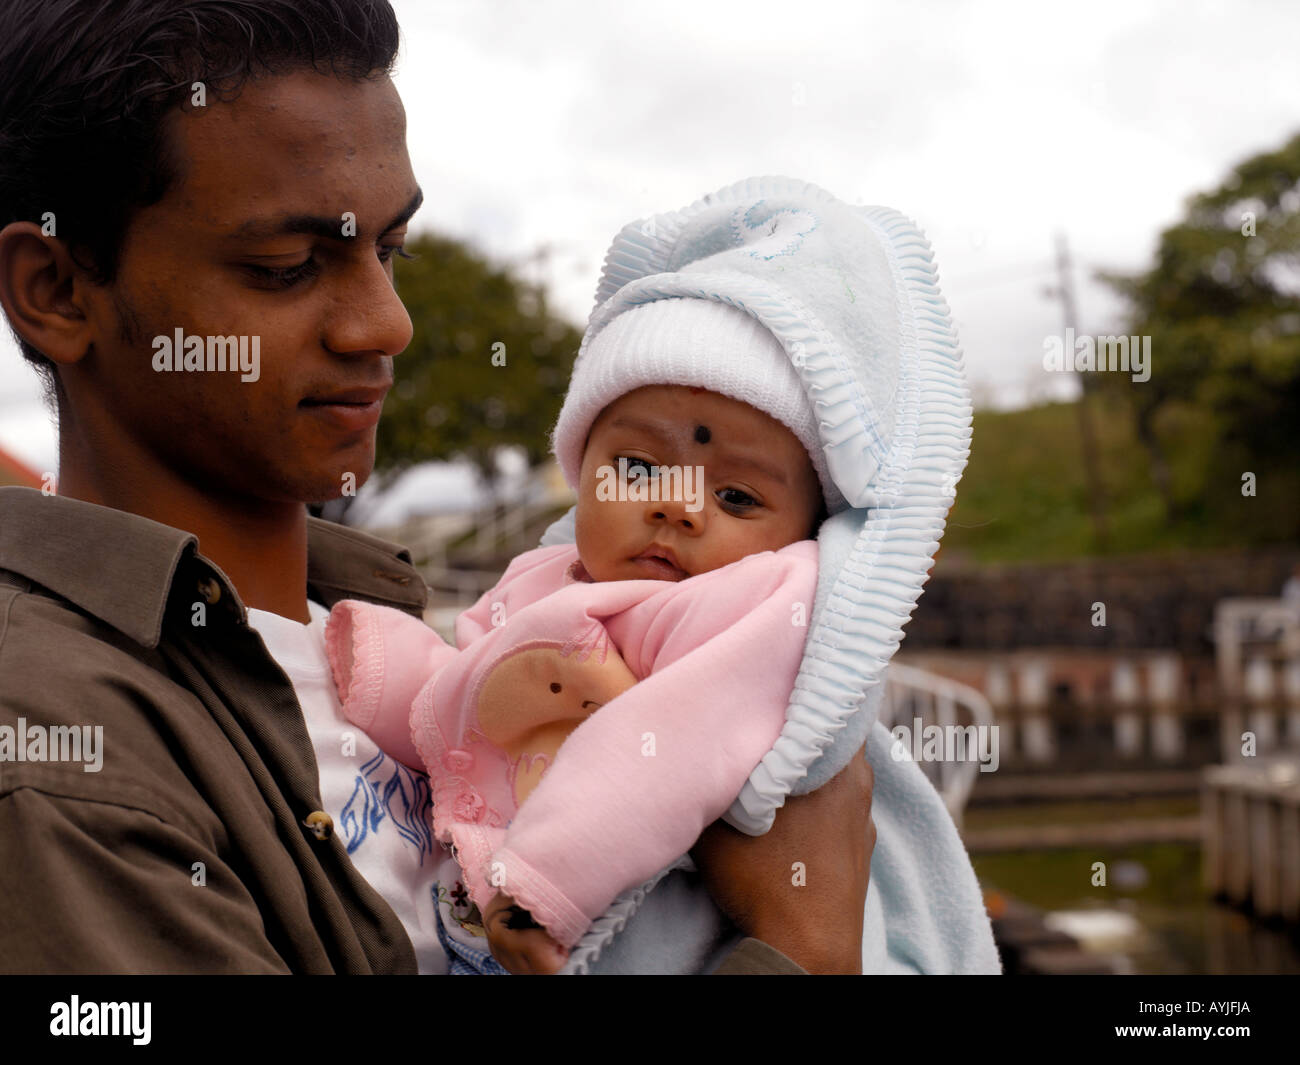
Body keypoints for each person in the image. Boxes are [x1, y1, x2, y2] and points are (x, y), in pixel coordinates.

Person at [0, 0, 872, 975]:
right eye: (287, 268)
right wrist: (798, 952)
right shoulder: (59, 761)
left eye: (391, 250)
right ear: (57, 289)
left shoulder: (408, 635)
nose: (385, 324)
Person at [327, 296, 833, 973]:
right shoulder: (547, 576)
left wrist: (546, 881)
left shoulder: (756, 602)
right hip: (485, 902)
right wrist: (392, 673)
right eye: (638, 468)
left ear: (804, 529)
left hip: (603, 918)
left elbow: (673, 742)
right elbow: (482, 683)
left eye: (736, 497)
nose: (675, 505)